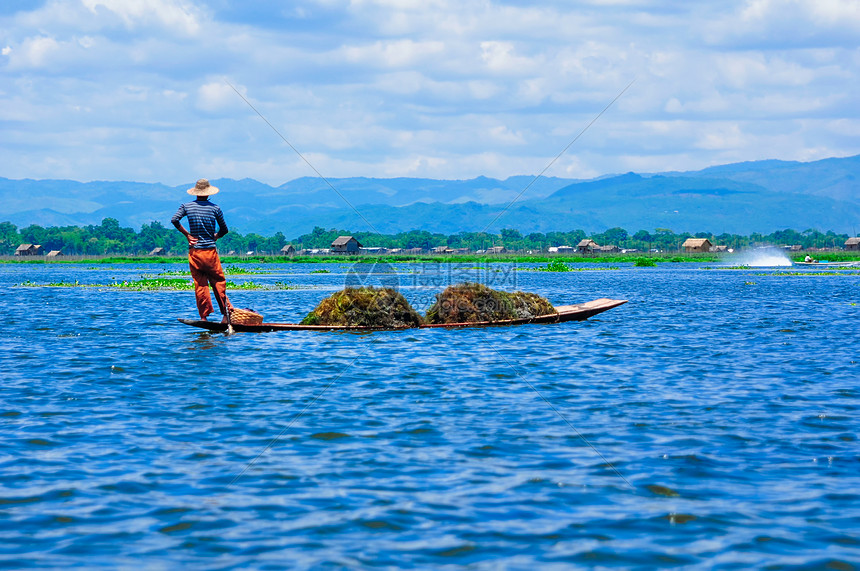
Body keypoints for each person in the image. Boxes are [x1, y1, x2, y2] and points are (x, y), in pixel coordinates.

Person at [171, 178, 233, 321]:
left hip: (195, 252)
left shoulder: (186, 207)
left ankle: (204, 317)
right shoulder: (215, 208)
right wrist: (215, 236)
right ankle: (226, 315)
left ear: (196, 193)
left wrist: (187, 235)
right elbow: (224, 229)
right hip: (210, 252)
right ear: (208, 193)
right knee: (218, 282)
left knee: (200, 284)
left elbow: (174, 220)